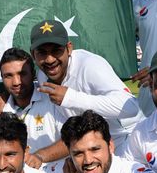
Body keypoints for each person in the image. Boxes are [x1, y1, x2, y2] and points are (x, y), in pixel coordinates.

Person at [29, 19, 143, 154]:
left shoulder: (90, 65)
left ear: (69, 48)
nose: (50, 59)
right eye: (42, 53)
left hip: (129, 138)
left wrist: (70, 97)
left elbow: (131, 107)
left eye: (56, 51)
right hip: (90, 144)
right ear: (33, 55)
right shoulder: (42, 74)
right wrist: (4, 96)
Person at [0, 48, 65, 167]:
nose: (16, 82)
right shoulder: (0, 110)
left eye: (22, 74)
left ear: (33, 74)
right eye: (8, 76)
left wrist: (40, 156)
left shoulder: (52, 98)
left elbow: (73, 139)